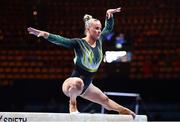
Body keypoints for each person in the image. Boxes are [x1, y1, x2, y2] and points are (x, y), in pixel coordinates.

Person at [27, 7, 136, 118]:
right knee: (78, 83)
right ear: (88, 29)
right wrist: (46, 35)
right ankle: (72, 104)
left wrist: (109, 15)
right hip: (71, 85)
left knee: (105, 100)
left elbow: (108, 28)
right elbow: (61, 40)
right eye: (96, 28)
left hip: (87, 87)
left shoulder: (100, 40)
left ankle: (122, 110)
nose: (99, 31)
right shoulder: (78, 43)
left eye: (100, 28)